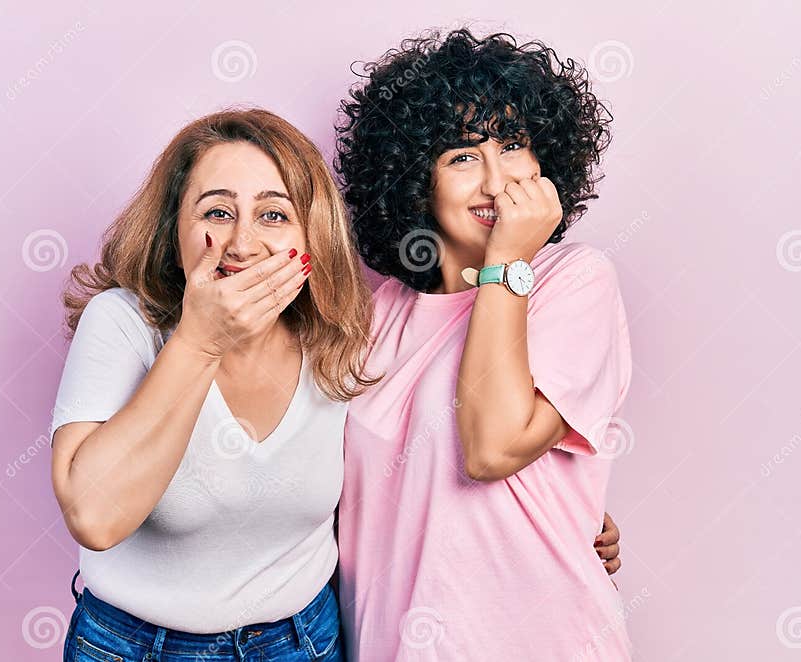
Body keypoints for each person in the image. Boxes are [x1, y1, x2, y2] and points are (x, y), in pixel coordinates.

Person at [335, 28, 634, 660]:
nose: (497, 181)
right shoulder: (375, 313)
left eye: (513, 144)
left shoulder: (573, 280)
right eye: (462, 156)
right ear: (418, 181)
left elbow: (492, 449)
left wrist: (506, 263)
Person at [49, 108, 378, 661]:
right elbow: (95, 517)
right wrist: (200, 341)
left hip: (302, 642)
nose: (242, 245)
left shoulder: (340, 337)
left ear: (312, 234)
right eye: (218, 212)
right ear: (173, 227)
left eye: (274, 215)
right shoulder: (123, 323)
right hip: (136, 647)